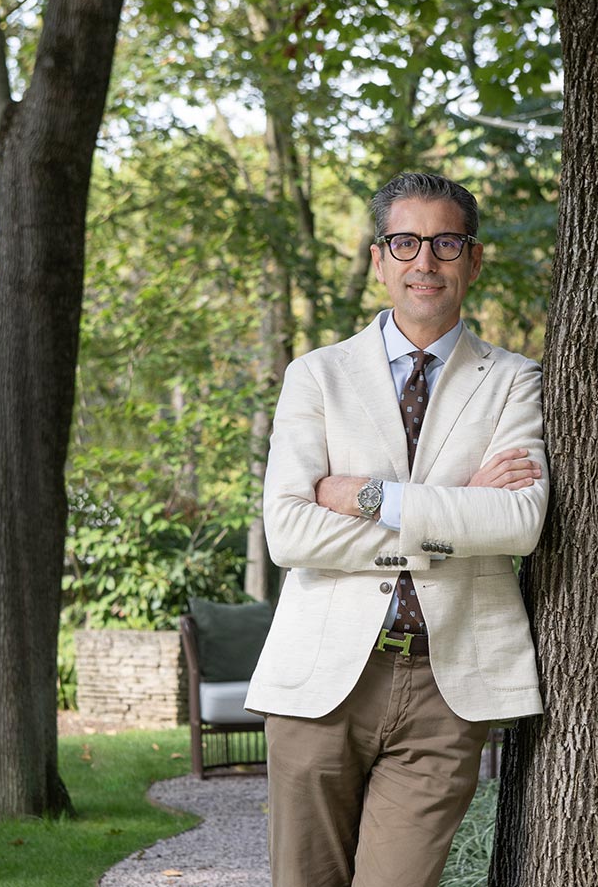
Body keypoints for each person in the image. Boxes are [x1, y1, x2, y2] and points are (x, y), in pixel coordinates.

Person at [245, 172, 549, 887]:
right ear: (380, 259)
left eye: (446, 243)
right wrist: (455, 510)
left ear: (474, 260)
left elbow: (517, 522)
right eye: (405, 242)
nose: (426, 261)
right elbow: (289, 533)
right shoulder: (316, 376)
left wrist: (369, 496)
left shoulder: (515, 380)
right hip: (320, 681)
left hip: (448, 684)